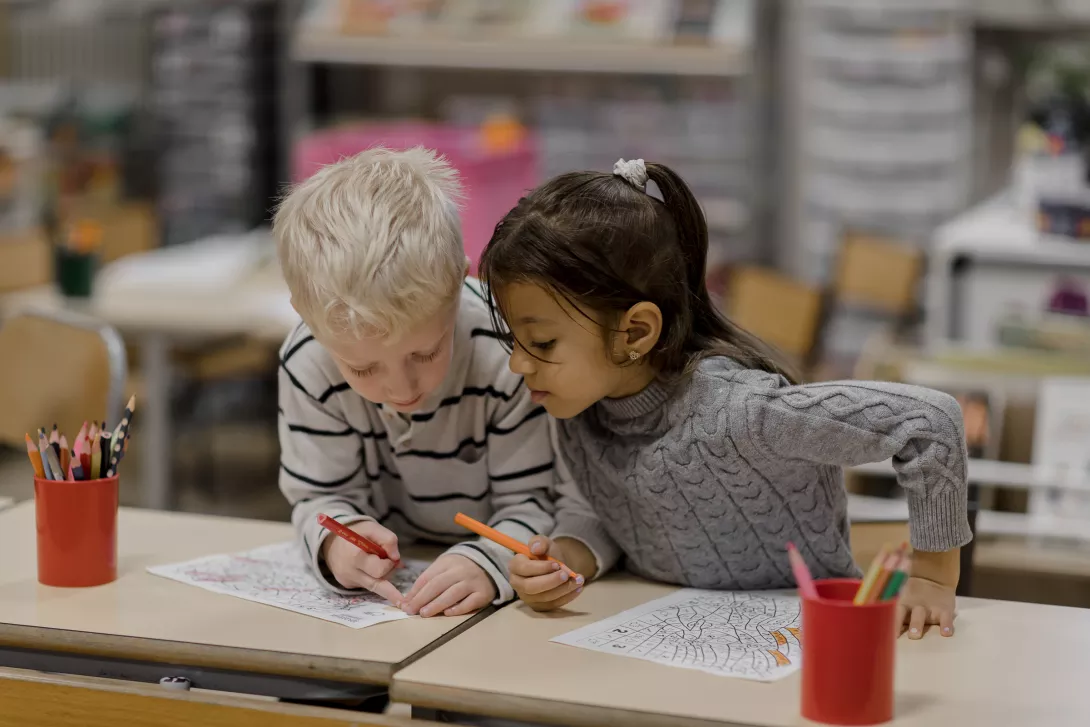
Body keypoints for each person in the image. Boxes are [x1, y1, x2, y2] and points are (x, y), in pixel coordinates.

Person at [478, 158, 972, 639]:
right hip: (663, 637)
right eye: (513, 343)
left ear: (635, 332)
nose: (519, 364)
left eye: (541, 344)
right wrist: (567, 558)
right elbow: (608, 510)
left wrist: (930, 576)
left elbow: (931, 422)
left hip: (798, 647)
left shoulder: (741, 412)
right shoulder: (581, 409)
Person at [274, 147, 563, 621]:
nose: (401, 388)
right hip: (398, 593)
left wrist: (488, 562)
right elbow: (318, 500)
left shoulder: (505, 352)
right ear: (305, 316)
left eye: (425, 353)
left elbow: (536, 504)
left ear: (457, 280)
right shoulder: (309, 362)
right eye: (364, 369)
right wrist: (338, 545)